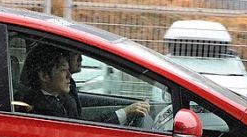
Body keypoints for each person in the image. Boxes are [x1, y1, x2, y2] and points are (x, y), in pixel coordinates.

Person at [17, 45, 149, 124]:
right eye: (63, 70)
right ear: (44, 76)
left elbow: (80, 122)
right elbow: (83, 129)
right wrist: (125, 113)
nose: (69, 76)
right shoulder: (42, 107)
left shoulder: (59, 96)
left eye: (69, 70)